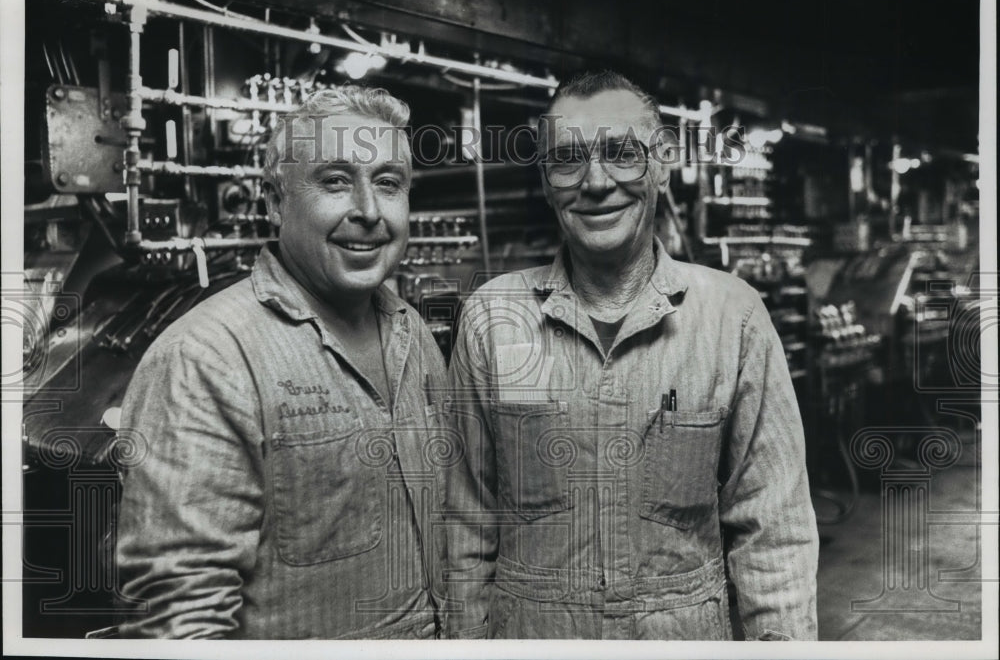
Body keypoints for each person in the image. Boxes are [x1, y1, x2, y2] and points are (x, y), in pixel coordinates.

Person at [442, 71, 818, 640]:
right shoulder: (493, 320)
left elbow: (774, 533)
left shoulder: (730, 318)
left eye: (622, 153)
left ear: (663, 163)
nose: (596, 181)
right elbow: (466, 528)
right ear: (546, 180)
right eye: (568, 160)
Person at [116, 86, 448, 639]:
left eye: (388, 183)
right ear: (274, 201)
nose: (367, 211)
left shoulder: (412, 334)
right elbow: (182, 623)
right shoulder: (205, 360)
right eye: (335, 181)